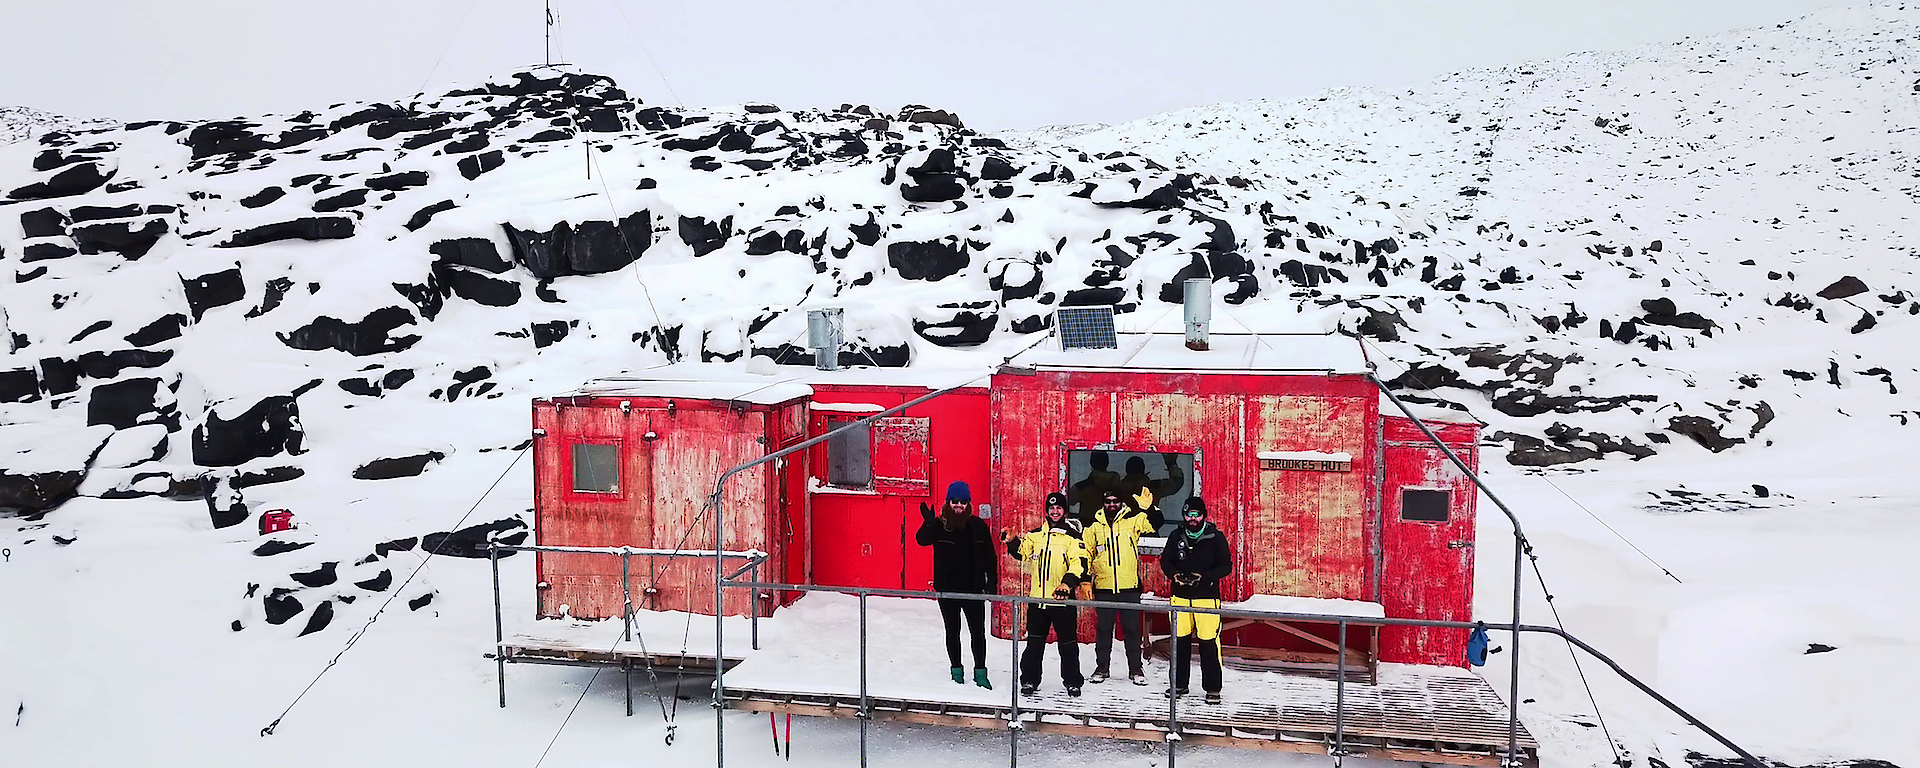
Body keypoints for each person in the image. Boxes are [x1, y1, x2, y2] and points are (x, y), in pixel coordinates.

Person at [1001, 492, 1088, 697]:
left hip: (1062, 602)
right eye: (1051, 508)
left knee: (1067, 645)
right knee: (1034, 644)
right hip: (1038, 602)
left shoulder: (1072, 537)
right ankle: (1029, 680)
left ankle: (1073, 682)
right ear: (1046, 511)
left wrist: (1067, 584)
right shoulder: (1036, 535)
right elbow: (1022, 552)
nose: (1055, 511)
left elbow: (1079, 564)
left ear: (1064, 510)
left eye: (1058, 508)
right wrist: (1012, 540)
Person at [915, 481, 998, 689]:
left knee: (977, 633)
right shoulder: (940, 526)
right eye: (955, 502)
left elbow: (990, 556)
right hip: (947, 589)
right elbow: (921, 540)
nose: (958, 506)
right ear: (948, 502)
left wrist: (992, 583)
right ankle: (957, 672)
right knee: (952, 631)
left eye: (963, 502)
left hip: (973, 589)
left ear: (968, 504)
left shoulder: (978, 527)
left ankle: (980, 673)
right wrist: (928, 522)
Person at [1081, 487, 1162, 685]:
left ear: (1121, 503)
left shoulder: (1133, 522)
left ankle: (1136, 669)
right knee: (1103, 630)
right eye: (1108, 501)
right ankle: (1102, 668)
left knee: (1132, 630)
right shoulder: (1094, 528)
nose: (1111, 505)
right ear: (1103, 503)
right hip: (1104, 587)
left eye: (1115, 501)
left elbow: (1155, 524)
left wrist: (1149, 508)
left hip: (1129, 587)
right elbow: (1084, 554)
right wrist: (1084, 579)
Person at [1159, 496, 1232, 705]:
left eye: (1196, 514)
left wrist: (1205, 576)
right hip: (1180, 597)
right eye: (1189, 514)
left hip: (1206, 599)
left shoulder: (1215, 536)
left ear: (1203, 516)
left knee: (1209, 644)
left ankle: (1212, 688)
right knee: (1179, 643)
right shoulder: (1176, 536)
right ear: (1184, 515)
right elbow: (1166, 561)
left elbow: (1226, 566)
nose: (1192, 518)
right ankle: (1179, 685)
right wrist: (1174, 575)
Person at [1118, 454, 1186, 531]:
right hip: (1149, 533)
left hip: (1122, 535)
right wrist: (1171, 463)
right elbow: (1176, 483)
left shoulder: (1118, 489)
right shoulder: (1153, 487)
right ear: (1143, 469)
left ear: (1127, 470)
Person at [1069, 451, 1122, 525]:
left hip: (1087, 526)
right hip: (1112, 527)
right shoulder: (1116, 483)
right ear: (1107, 462)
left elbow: (1070, 500)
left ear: (1091, 462)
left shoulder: (1082, 486)